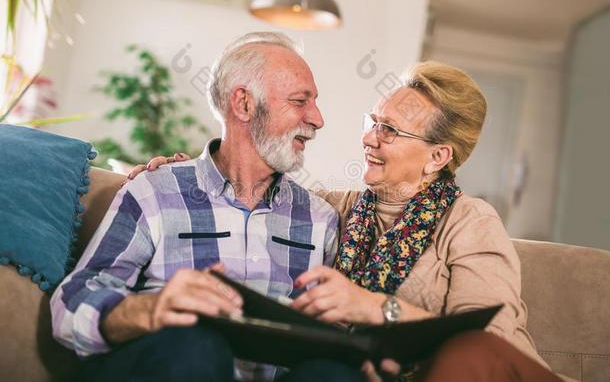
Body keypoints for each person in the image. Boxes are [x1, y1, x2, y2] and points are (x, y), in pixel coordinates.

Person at [142, 61, 563, 382]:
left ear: (438, 157)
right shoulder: (334, 210)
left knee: (469, 348)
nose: (369, 138)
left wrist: (375, 307)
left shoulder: (470, 220)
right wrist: (187, 168)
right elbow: (251, 185)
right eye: (372, 121)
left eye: (391, 131)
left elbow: (488, 341)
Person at [50, 32, 364, 382]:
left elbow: (333, 327)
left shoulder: (320, 219)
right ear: (243, 104)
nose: (318, 119)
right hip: (177, 363)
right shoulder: (155, 190)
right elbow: (70, 305)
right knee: (196, 346)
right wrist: (149, 310)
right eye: (299, 101)